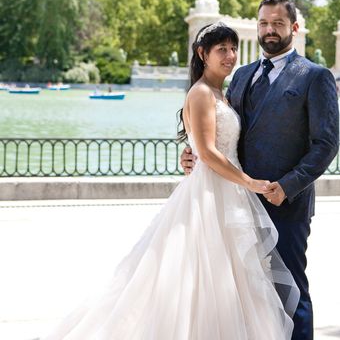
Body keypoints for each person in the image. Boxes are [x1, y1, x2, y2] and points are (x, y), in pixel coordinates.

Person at [44, 23, 299, 340]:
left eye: (233, 49)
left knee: (232, 279)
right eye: (222, 49)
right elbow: (206, 151)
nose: (231, 56)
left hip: (227, 191)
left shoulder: (223, 93)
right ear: (202, 53)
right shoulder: (202, 92)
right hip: (211, 193)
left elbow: (208, 146)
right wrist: (249, 182)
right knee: (198, 276)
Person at [181, 0, 340, 340]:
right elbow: (222, 132)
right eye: (264, 23)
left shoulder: (315, 76)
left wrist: (287, 186)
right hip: (236, 202)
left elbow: (326, 144)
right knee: (244, 291)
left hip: (286, 203)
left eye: (278, 23)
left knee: (290, 290)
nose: (270, 30)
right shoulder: (241, 76)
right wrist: (194, 153)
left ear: (294, 28)